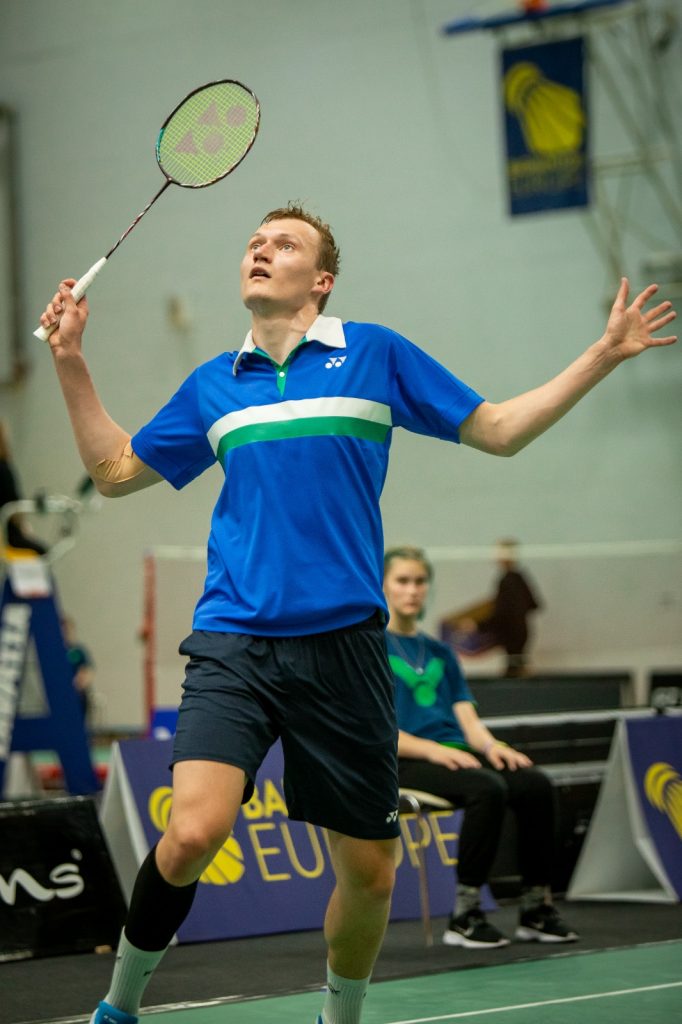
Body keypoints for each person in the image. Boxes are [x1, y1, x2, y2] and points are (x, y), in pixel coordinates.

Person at [38, 201, 676, 1024]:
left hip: (343, 650)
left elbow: (498, 430)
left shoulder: (373, 354)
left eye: (284, 244)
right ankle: (119, 1006)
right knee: (193, 833)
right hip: (235, 641)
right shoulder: (213, 385)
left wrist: (603, 353)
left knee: (371, 874)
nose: (261, 250)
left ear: (322, 280)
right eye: (254, 241)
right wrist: (69, 358)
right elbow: (117, 473)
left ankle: (340, 1019)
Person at [384, 545, 576, 949]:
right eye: (402, 581)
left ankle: (535, 908)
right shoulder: (369, 650)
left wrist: (491, 747)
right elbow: (376, 729)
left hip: (457, 755)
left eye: (420, 581)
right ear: (382, 585)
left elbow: (467, 719)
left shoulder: (441, 652)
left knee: (535, 784)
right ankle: (465, 914)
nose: (412, 590)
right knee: (487, 788)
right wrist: (433, 751)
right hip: (404, 759)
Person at [476, 538, 541, 677]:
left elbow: (502, 612)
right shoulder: (519, 578)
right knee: (515, 668)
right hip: (519, 633)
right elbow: (534, 604)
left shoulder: (508, 581)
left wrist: (478, 625)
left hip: (513, 635)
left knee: (514, 673)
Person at [0, 419, 48, 555]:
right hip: (7, 537)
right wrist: (23, 528)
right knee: (43, 552)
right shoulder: (3, 469)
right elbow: (14, 505)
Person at [61, 615, 96, 726]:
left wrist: (79, 682)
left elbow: (87, 670)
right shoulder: (56, 652)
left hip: (77, 694)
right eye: (64, 630)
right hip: (61, 694)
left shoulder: (78, 651)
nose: (67, 633)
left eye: (69, 630)